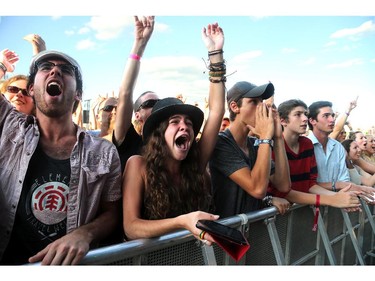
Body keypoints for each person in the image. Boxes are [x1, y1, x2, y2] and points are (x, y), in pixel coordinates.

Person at [0, 48, 122, 265]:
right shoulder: (9, 127)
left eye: (65, 70)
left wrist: (85, 234)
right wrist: (1, 67)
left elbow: (111, 212)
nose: (55, 71)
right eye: (46, 68)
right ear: (31, 88)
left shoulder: (104, 152)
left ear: (78, 94)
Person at [122, 21, 225, 244]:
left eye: (188, 122)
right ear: (159, 134)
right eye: (174, 121)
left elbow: (216, 111)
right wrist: (182, 222)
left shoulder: (194, 164)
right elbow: (131, 227)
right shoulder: (138, 166)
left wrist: (215, 52)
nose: (184, 126)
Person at [209, 80, 291, 218]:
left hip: (250, 231)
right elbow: (258, 189)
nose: (261, 108)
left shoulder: (254, 143)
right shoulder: (221, 143)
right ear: (235, 107)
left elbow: (283, 185)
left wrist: (278, 138)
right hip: (226, 232)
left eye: (261, 102)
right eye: (253, 102)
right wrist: (265, 137)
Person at [267, 99, 360, 213]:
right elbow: (282, 191)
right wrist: (332, 199)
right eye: (298, 114)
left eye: (305, 114)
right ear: (283, 121)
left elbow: (310, 184)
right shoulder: (271, 146)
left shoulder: (306, 144)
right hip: (278, 215)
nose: (305, 118)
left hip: (303, 210)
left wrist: (339, 198)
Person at [113, 16, 160, 173]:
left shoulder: (170, 146)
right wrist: (140, 45)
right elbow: (125, 93)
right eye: (149, 104)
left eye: (159, 103)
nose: (157, 106)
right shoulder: (129, 140)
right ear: (137, 115)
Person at [307, 101, 374, 201]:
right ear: (312, 120)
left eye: (332, 115)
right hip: (308, 211)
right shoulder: (304, 146)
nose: (332, 119)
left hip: (337, 211)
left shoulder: (338, 147)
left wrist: (349, 196)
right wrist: (337, 188)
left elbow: (344, 180)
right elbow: (305, 184)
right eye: (326, 116)